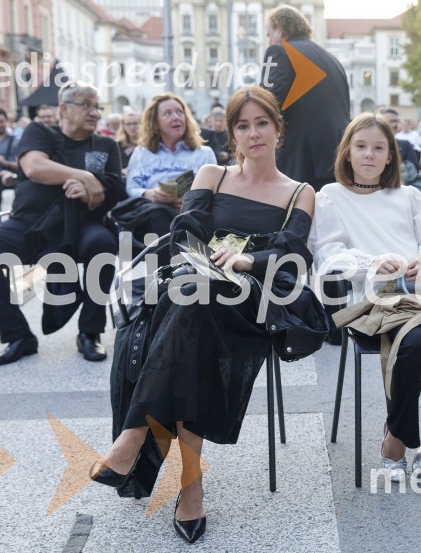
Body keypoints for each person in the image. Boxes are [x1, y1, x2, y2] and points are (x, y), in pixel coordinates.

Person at [90, 86, 316, 544]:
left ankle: (134, 435)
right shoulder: (211, 173)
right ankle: (189, 487)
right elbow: (184, 232)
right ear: (231, 133)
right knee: (194, 306)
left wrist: (245, 263)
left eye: (262, 123)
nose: (254, 134)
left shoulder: (300, 192)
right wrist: (209, 264)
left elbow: (291, 256)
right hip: (196, 284)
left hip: (253, 298)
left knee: (192, 304)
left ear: (278, 128)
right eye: (243, 125)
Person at [310, 113, 421, 481]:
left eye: (379, 148)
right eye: (360, 147)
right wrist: (375, 262)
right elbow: (328, 256)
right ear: (347, 153)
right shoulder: (329, 196)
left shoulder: (409, 195)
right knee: (418, 344)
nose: (369, 155)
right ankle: (397, 436)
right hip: (377, 300)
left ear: (391, 156)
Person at [0, 81, 126, 365]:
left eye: (97, 106)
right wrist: (86, 178)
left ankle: (90, 332)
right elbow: (35, 168)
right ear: (64, 109)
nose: (94, 113)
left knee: (103, 243)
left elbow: (113, 190)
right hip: (28, 223)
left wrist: (89, 192)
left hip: (83, 223)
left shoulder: (105, 145)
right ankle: (18, 336)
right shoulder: (39, 132)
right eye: (86, 104)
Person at [114, 93, 216, 265]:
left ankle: (168, 274)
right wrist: (149, 193)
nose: (176, 117)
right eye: (167, 114)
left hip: (190, 213)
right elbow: (132, 187)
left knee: (172, 219)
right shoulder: (142, 152)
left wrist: (188, 201)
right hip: (152, 212)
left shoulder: (204, 153)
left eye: (179, 112)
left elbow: (215, 191)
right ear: (155, 122)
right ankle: (173, 271)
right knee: (158, 214)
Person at [261, 4, 350, 190]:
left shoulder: (278, 51)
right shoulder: (332, 59)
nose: (268, 39)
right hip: (338, 158)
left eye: (269, 33)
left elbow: (266, 104)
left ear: (280, 29)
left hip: (300, 160)